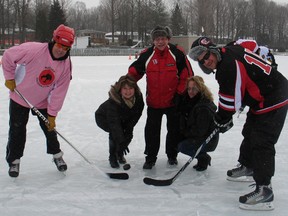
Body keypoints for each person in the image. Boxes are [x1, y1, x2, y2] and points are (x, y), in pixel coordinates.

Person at [189, 36, 288, 210]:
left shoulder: (226, 68)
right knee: (249, 132)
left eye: (206, 56)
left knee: (262, 141)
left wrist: (221, 119)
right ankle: (248, 166)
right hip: (262, 98)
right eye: (201, 61)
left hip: (273, 98)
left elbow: (229, 105)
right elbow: (252, 44)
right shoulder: (231, 48)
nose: (206, 62)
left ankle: (264, 191)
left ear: (212, 49)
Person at [1, 24, 75, 178]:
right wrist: (9, 78)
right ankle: (14, 160)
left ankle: (57, 155)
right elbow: (8, 56)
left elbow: (59, 92)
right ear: (54, 41)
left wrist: (52, 114)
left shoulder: (66, 65)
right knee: (17, 129)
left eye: (66, 48)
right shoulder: (34, 50)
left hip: (42, 101)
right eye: (60, 45)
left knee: (49, 129)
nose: (61, 50)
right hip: (20, 96)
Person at [127, 25, 193, 169]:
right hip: (154, 103)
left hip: (173, 102)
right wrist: (125, 84)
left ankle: (172, 155)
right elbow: (134, 71)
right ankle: (150, 158)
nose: (160, 42)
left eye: (163, 39)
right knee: (151, 132)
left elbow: (187, 76)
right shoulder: (147, 54)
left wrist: (180, 93)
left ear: (168, 39)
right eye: (157, 39)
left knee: (174, 130)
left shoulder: (177, 53)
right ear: (153, 41)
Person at [95, 75, 144, 168]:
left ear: (135, 89)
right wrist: (121, 141)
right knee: (115, 135)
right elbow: (114, 124)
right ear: (120, 89)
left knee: (128, 135)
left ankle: (119, 153)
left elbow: (136, 115)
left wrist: (128, 130)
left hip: (124, 118)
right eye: (124, 88)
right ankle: (113, 157)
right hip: (104, 118)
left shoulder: (138, 99)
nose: (128, 91)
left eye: (130, 88)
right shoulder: (113, 102)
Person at [177, 76, 219, 171]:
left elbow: (200, 130)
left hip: (208, 139)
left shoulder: (203, 107)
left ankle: (203, 158)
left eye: (194, 89)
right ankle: (201, 157)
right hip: (201, 136)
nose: (191, 92)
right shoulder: (190, 101)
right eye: (189, 89)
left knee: (182, 146)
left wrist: (184, 133)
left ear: (200, 89)